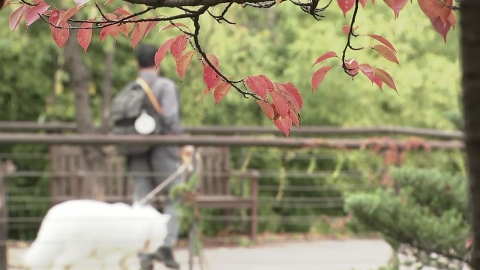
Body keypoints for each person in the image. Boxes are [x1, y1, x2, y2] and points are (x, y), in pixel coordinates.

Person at [121, 44, 188, 269]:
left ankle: (144, 253)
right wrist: (183, 144)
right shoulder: (165, 86)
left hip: (135, 152)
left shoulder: (130, 89)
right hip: (163, 152)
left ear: (137, 64)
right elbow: (170, 119)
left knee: (142, 201)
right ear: (158, 62)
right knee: (175, 195)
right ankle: (164, 245)